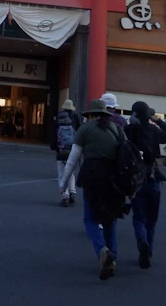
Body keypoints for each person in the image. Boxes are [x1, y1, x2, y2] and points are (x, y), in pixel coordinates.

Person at [60, 99, 126, 281]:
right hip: (113, 179)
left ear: (90, 115)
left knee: (90, 218)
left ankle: (102, 250)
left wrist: (63, 185)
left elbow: (73, 160)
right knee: (110, 219)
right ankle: (113, 258)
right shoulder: (116, 129)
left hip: (92, 176)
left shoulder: (85, 129)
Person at [125, 101, 166, 270]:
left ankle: (141, 240)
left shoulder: (130, 130)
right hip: (153, 176)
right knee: (151, 219)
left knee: (138, 216)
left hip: (136, 177)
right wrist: (159, 121)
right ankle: (148, 250)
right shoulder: (154, 130)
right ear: (148, 115)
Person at [51, 99, 81, 207]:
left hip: (61, 152)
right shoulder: (74, 120)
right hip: (72, 151)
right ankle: (72, 192)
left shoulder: (58, 125)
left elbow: (54, 140)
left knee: (62, 175)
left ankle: (65, 196)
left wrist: (55, 148)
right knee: (70, 173)